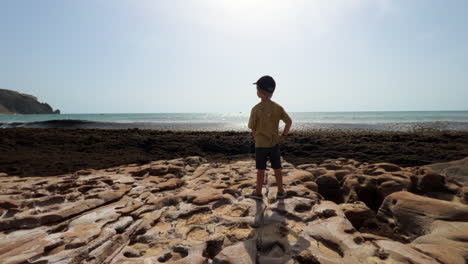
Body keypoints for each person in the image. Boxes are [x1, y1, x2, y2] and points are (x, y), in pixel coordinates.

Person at [248, 75, 292, 200]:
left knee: (260, 169)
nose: (256, 92)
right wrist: (283, 135)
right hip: (274, 143)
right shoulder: (278, 107)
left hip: (260, 144)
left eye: (257, 89)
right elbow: (289, 122)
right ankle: (281, 191)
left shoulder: (255, 109)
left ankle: (257, 193)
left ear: (260, 92)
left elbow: (252, 128)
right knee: (277, 168)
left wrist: (256, 135)